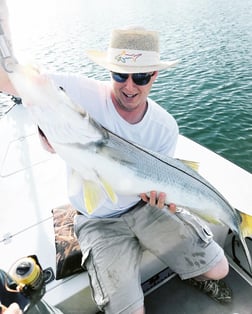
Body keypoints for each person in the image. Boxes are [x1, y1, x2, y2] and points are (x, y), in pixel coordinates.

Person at [0, 5, 232, 312]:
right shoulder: (78, 92)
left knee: (220, 269)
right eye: (120, 74)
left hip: (143, 207)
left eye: (141, 76)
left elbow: (161, 184)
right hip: (97, 220)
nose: (129, 85)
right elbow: (14, 81)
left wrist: (162, 200)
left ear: (155, 75)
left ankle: (195, 270)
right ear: (109, 70)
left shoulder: (165, 127)